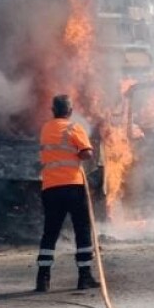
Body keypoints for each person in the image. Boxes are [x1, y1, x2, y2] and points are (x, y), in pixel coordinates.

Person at [35, 92, 99, 292]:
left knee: (50, 232)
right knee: (82, 230)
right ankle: (84, 276)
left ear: (53, 110)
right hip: (73, 186)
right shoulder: (74, 127)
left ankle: (43, 278)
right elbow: (87, 153)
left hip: (50, 187)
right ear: (70, 111)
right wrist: (79, 152)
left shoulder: (45, 129)